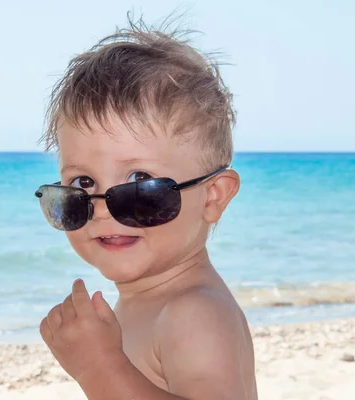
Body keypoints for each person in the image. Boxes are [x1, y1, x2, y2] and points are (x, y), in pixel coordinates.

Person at [34, 15, 258, 400]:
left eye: (139, 181)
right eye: (83, 184)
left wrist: (100, 368)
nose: (102, 208)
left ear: (213, 196)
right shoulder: (148, 302)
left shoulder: (193, 314)